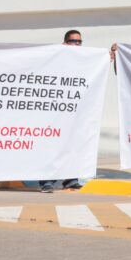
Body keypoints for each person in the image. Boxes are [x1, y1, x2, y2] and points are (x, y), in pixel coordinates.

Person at [40, 30, 86, 193]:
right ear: (65, 42)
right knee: (51, 145)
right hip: (54, 111)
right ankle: (47, 181)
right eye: (74, 41)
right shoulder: (56, 56)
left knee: (72, 145)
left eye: (79, 42)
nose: (77, 45)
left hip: (74, 112)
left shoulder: (85, 59)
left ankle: (71, 179)